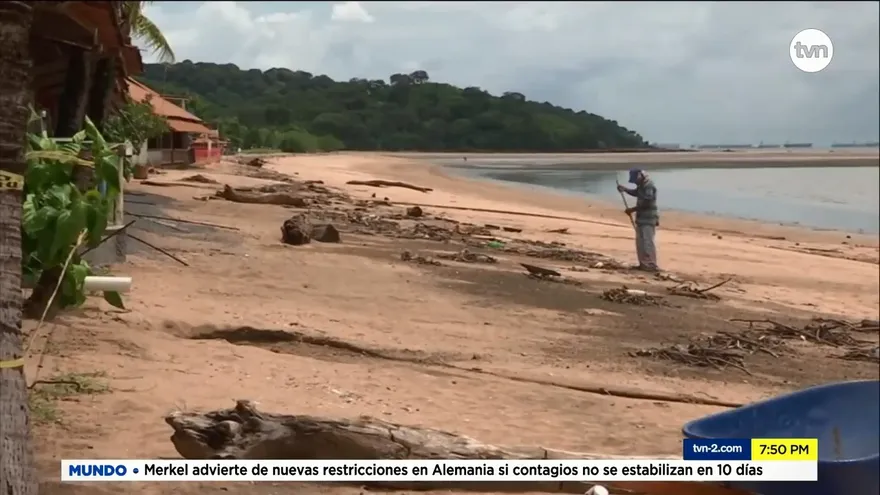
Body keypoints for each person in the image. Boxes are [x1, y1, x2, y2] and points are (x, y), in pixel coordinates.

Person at [617, 168, 659, 271]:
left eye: (636, 179)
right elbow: (637, 193)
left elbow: (647, 202)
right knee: (640, 243)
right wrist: (625, 189)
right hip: (640, 218)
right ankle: (643, 264)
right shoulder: (641, 185)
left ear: (641, 176)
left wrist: (632, 210)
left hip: (648, 218)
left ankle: (650, 264)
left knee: (647, 242)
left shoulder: (649, 185)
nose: (635, 182)